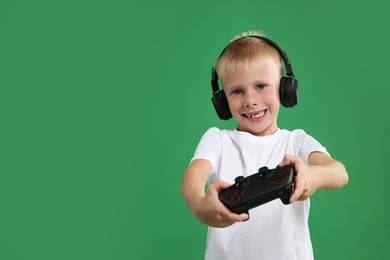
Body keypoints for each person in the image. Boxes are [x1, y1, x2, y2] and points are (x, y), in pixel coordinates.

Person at [180, 31, 349, 260]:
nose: (250, 100)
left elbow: (339, 173)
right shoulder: (217, 140)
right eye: (237, 91)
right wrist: (199, 206)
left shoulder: (295, 141)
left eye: (261, 86)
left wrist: (313, 177)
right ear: (222, 101)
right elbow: (193, 175)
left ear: (284, 89)